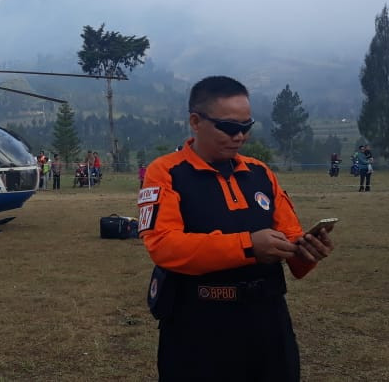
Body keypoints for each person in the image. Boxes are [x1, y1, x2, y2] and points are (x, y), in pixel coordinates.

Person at [139, 76, 333, 380]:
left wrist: (306, 252)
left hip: (268, 323)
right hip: (198, 326)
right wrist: (247, 246)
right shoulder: (166, 172)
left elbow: (291, 236)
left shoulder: (260, 173)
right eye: (229, 127)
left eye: (246, 127)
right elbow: (164, 246)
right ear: (195, 121)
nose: (239, 136)